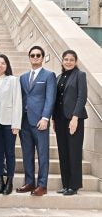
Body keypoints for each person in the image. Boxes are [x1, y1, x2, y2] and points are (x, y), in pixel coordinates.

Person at [16, 45, 56, 196]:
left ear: (42, 57)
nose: (35, 58)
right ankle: (29, 182)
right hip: (24, 121)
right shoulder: (23, 77)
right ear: (29, 57)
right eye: (32, 55)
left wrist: (45, 117)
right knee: (27, 153)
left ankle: (42, 185)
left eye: (38, 55)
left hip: (40, 121)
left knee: (43, 154)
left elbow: (50, 98)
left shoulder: (48, 75)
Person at [52, 50, 87, 196]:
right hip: (60, 119)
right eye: (65, 59)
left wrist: (75, 118)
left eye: (71, 59)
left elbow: (81, 97)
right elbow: (55, 100)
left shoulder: (80, 75)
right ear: (62, 61)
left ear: (76, 61)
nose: (68, 62)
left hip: (73, 119)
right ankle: (65, 184)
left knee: (74, 152)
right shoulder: (59, 77)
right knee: (63, 152)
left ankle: (74, 185)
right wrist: (54, 119)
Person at [0, 54, 22, 195]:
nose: (0, 65)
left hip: (9, 122)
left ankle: (9, 181)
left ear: (7, 65)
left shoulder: (14, 80)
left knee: (9, 153)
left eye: (3, 63)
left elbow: (17, 102)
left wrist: (16, 124)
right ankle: (0, 182)